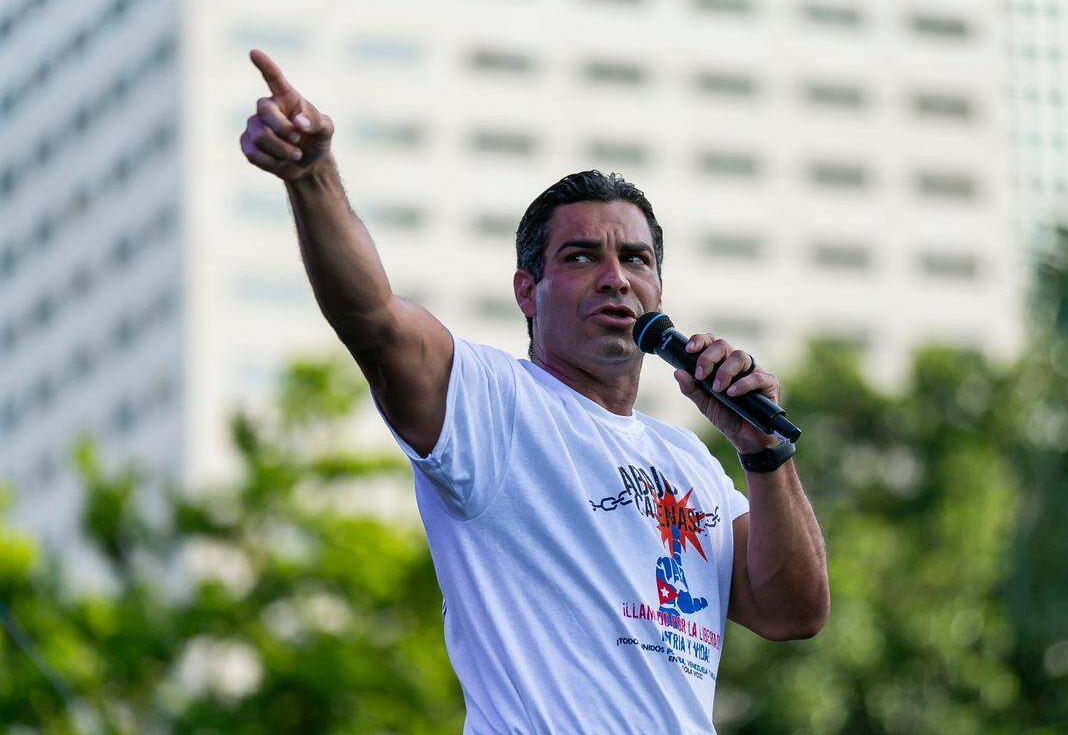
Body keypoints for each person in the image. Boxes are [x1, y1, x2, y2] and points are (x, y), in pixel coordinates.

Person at [240, 48, 829, 733]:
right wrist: (312, 176)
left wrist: (764, 454)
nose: (615, 278)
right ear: (528, 291)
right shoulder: (489, 403)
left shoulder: (692, 461)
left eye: (635, 259)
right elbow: (373, 318)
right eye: (581, 257)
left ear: (659, 290)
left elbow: (794, 612)